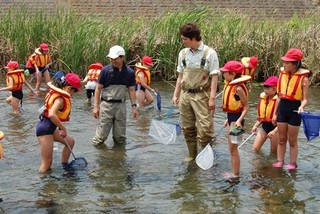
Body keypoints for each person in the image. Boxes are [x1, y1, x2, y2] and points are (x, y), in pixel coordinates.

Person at [172, 23, 220, 162]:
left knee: (205, 129)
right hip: (185, 94)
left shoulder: (209, 53)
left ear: (193, 38)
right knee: (187, 127)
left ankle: (207, 157)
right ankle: (192, 155)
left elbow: (215, 77)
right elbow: (180, 76)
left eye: (184, 39)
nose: (183, 42)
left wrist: (212, 99)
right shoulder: (183, 53)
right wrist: (176, 94)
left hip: (202, 94)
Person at [92, 45, 138, 147]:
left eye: (115, 59)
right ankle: (97, 158)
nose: (113, 61)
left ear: (122, 58)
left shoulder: (129, 72)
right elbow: (98, 89)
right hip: (106, 106)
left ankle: (119, 158)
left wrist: (134, 107)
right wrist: (96, 107)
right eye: (111, 59)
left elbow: (131, 89)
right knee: (101, 137)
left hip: (121, 106)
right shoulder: (105, 71)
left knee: (120, 138)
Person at [272, 48, 310, 170]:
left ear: (295, 64)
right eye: (284, 62)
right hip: (283, 109)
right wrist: (275, 113)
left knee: (292, 140)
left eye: (287, 63)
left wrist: (301, 107)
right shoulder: (282, 74)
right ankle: (280, 161)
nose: (284, 65)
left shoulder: (304, 78)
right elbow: (279, 96)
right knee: (282, 139)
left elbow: (305, 99)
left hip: (294, 110)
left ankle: (292, 163)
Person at [36, 73, 81, 173]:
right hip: (45, 130)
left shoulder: (55, 93)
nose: (73, 94)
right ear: (69, 88)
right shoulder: (60, 99)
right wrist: (63, 128)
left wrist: (59, 127)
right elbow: (52, 114)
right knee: (47, 163)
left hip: (49, 126)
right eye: (75, 91)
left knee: (70, 142)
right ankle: (40, 183)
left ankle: (64, 165)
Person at [220, 61, 251, 179]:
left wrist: (239, 121)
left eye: (225, 73)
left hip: (237, 119)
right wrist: (226, 119)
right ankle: (234, 172)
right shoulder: (230, 84)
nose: (223, 75)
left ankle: (235, 174)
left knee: (233, 149)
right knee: (232, 148)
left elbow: (246, 107)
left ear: (232, 74)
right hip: (231, 117)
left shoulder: (238, 88)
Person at [252, 76, 279, 154]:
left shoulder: (279, 101)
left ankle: (271, 166)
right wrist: (256, 125)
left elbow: (283, 120)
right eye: (264, 89)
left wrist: (274, 131)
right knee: (255, 149)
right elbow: (263, 117)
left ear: (275, 89)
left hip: (276, 128)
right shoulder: (264, 99)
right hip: (265, 127)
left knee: (273, 152)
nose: (265, 91)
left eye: (268, 89)